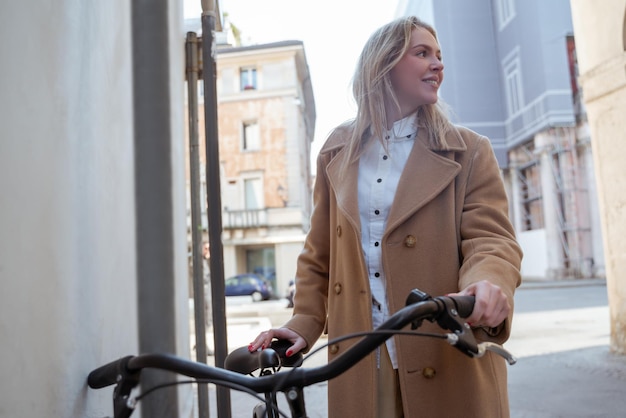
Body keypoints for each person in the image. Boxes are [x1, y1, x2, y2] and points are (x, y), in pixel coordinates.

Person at [249, 15, 522, 418]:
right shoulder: (335, 152)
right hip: (362, 362)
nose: (438, 64)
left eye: (440, 55)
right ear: (384, 64)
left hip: (447, 355)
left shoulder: (469, 151)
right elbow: (319, 255)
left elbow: (491, 240)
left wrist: (485, 285)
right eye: (422, 53)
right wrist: (304, 322)